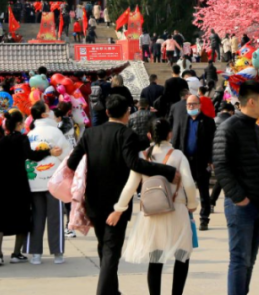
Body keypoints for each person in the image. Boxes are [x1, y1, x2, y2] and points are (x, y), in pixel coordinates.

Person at [67, 94, 179, 295]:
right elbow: (134, 164)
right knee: (111, 251)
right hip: (116, 202)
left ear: (107, 112)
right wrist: (168, 171)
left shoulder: (90, 134)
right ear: (128, 113)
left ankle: (112, 290)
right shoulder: (125, 135)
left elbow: (71, 163)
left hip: (92, 200)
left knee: (104, 247)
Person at [110, 117, 198, 295]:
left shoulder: (142, 157)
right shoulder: (178, 155)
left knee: (155, 258)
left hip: (151, 214)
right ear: (170, 134)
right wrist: (192, 204)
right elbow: (189, 183)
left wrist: (119, 208)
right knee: (182, 255)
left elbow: (130, 186)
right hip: (177, 210)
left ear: (149, 135)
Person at [213, 80, 259, 295]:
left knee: (250, 259)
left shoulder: (256, 130)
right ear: (251, 101)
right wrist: (239, 197)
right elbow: (220, 165)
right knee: (239, 259)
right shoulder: (229, 127)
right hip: (241, 206)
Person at [0, 111, 59, 266]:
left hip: (0, 184)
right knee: (22, 217)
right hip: (18, 183)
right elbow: (32, 155)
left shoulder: (1, 141)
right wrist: (49, 151)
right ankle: (16, 253)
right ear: (19, 124)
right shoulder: (22, 139)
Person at [27, 102, 74, 265]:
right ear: (44, 115)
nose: (53, 112)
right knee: (55, 218)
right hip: (53, 182)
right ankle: (57, 253)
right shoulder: (55, 132)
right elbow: (67, 155)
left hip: (33, 181)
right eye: (49, 110)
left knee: (36, 217)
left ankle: (35, 254)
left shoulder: (30, 134)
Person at [169, 93, 216, 231]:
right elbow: (176, 139)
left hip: (201, 161)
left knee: (203, 191)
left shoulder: (208, 121)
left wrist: (211, 159)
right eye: (188, 104)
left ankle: (204, 218)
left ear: (199, 106)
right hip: (185, 161)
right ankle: (184, 217)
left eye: (193, 104)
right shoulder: (183, 120)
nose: (190, 106)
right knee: (183, 190)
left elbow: (212, 141)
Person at [208, 103, 236, 211]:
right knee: (226, 179)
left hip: (216, 154)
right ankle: (221, 202)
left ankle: (212, 202)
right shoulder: (234, 121)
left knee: (221, 179)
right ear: (231, 111)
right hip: (230, 154)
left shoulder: (214, 120)